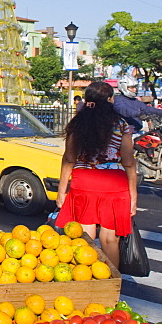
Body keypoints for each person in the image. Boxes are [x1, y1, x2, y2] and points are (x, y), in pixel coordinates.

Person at [55, 81, 137, 269]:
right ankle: (112, 287)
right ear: (110, 100)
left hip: (84, 182)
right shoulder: (121, 125)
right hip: (114, 185)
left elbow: (69, 159)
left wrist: (61, 191)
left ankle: (87, 284)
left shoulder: (78, 124)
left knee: (84, 239)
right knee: (110, 241)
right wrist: (133, 196)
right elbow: (129, 163)